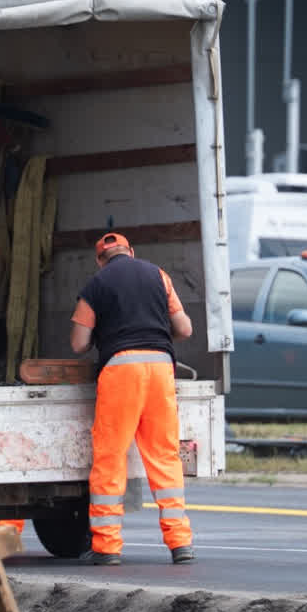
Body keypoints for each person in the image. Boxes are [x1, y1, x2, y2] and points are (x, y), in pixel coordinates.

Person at [68, 232, 195, 565]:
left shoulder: (96, 285)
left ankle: (108, 548)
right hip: (160, 369)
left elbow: (79, 343)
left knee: (110, 456)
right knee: (165, 456)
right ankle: (180, 543)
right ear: (131, 252)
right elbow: (185, 329)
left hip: (121, 371)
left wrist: (102, 330)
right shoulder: (159, 275)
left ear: (100, 259)